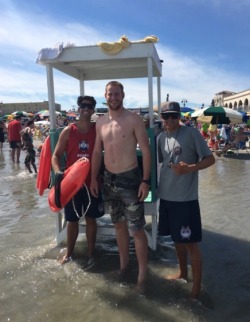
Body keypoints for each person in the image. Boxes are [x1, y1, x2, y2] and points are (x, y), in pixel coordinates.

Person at [90, 81, 151, 291]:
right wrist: (92, 178)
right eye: (110, 94)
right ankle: (124, 267)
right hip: (109, 180)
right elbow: (97, 152)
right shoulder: (100, 122)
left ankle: (142, 273)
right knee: (118, 225)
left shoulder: (133, 119)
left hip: (131, 180)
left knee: (136, 229)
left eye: (116, 94)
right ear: (104, 96)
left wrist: (145, 180)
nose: (113, 97)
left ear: (123, 95)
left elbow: (146, 149)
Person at [158, 101, 215, 299]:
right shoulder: (159, 138)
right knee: (177, 240)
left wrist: (190, 168)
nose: (171, 120)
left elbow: (210, 159)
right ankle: (183, 273)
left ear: (180, 116)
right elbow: (159, 165)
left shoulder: (192, 134)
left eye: (175, 115)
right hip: (166, 198)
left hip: (185, 199)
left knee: (191, 243)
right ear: (162, 118)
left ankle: (196, 290)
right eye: (166, 116)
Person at [51, 95, 104, 267]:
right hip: (72, 184)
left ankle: (90, 254)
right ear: (78, 108)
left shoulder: (98, 129)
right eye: (83, 105)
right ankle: (69, 253)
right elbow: (56, 155)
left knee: (91, 219)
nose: (86, 108)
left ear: (94, 109)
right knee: (72, 220)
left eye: (90, 105)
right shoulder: (68, 131)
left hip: (92, 182)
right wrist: (58, 171)